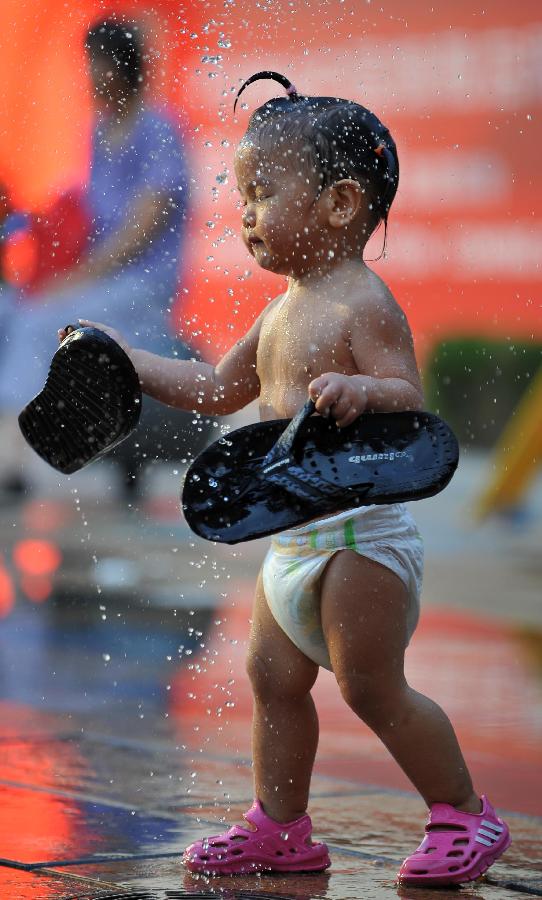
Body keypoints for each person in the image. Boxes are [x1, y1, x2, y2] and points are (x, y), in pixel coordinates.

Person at [59, 71, 511, 887]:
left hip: (361, 540)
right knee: (272, 677)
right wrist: (123, 361)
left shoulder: (360, 305)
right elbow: (215, 390)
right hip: (296, 536)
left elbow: (409, 398)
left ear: (340, 205)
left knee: (374, 687)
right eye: (242, 197)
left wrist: (363, 392)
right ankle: (281, 827)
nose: (246, 217)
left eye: (263, 193)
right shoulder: (280, 311)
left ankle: (464, 814)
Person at [0, 18, 188, 491]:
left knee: (44, 318)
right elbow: (85, 210)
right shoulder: (99, 130)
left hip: (141, 282)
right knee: (13, 308)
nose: (89, 75)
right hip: (97, 276)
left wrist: (78, 278)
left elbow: (139, 232)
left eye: (97, 63)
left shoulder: (158, 129)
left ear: (123, 65)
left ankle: (13, 461)